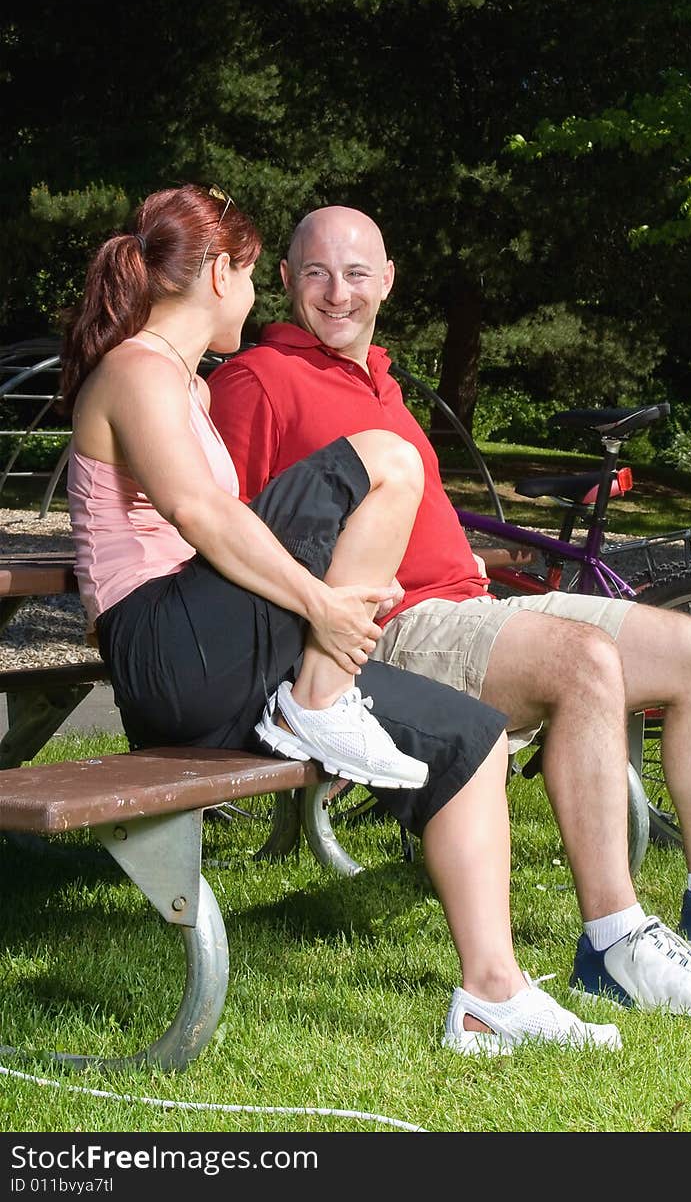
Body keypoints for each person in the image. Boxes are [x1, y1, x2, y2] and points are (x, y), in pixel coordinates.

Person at [208, 203, 691, 1021]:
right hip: (388, 629)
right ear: (284, 281)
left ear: (387, 281)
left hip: (467, 605)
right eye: (315, 273)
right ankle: (615, 943)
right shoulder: (254, 381)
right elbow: (224, 529)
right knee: (581, 660)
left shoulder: (382, 379)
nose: (336, 293)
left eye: (355, 274)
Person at [60, 182, 630, 1059]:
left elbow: (235, 528)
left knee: (470, 739)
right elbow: (202, 517)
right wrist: (323, 604)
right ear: (218, 272)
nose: (252, 299)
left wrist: (344, 585)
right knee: (389, 458)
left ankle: (493, 995)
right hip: (166, 651)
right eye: (251, 277)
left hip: (224, 648)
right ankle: (321, 700)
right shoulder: (136, 369)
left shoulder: (189, 387)